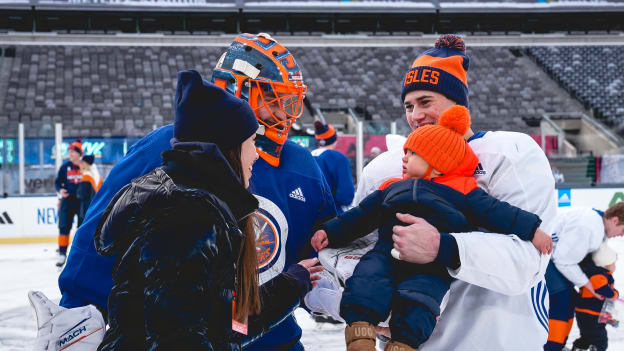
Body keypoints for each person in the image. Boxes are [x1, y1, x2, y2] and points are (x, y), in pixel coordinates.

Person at [37, 33, 336, 351]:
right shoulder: (170, 163)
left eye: (289, 100)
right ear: (237, 91)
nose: (286, 112)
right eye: (274, 98)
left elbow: (325, 244)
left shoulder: (301, 162)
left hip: (271, 338)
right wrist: (79, 306)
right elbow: (99, 240)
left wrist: (338, 284)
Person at [315, 34, 557, 350]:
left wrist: (444, 246)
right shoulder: (388, 168)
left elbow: (528, 263)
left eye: (426, 102)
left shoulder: (510, 154)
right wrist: (372, 310)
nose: (415, 115)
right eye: (408, 105)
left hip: (496, 340)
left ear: (458, 104)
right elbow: (356, 250)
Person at [94, 70, 322, 350]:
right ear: (226, 149)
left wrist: (287, 288)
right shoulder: (188, 217)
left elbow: (221, 326)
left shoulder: (197, 207)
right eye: (250, 142)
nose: (255, 154)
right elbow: (179, 340)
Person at [544, 203, 624, 351]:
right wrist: (590, 286)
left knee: (570, 298)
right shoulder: (588, 226)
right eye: (623, 230)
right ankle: (551, 347)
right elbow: (563, 261)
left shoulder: (597, 225)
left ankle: (558, 345)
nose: (622, 234)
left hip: (553, 258)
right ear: (614, 220)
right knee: (563, 297)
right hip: (544, 258)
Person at [571, 243, 619, 351]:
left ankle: (578, 348)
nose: (615, 266)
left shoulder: (595, 273)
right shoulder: (598, 274)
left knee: (587, 337)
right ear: (605, 264)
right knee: (600, 340)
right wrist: (613, 294)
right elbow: (601, 287)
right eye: (614, 263)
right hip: (592, 315)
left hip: (586, 313)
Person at [311, 120, 355, 214]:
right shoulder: (338, 158)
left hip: (310, 213)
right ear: (334, 138)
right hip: (333, 214)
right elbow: (346, 195)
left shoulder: (307, 156)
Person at [54, 138, 84, 267]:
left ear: (79, 153)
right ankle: (62, 254)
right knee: (64, 227)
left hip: (82, 202)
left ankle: (79, 254)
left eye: (72, 152)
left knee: (81, 228)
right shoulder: (65, 167)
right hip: (67, 201)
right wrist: (60, 191)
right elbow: (57, 182)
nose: (70, 154)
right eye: (69, 152)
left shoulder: (86, 167)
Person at [76, 154, 102, 223]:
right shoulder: (98, 176)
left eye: (81, 163)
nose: (80, 165)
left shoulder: (86, 176)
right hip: (97, 208)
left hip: (87, 209)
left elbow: (81, 194)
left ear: (85, 164)